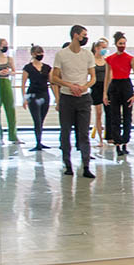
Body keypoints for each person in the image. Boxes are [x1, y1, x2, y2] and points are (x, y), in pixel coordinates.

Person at [51, 25, 96, 178]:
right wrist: (70, 85)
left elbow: (93, 77)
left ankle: (86, 166)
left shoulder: (88, 54)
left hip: (83, 98)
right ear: (76, 35)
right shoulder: (61, 54)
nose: (86, 37)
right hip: (67, 98)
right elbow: (54, 77)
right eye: (84, 35)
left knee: (83, 133)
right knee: (65, 132)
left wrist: (84, 87)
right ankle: (67, 164)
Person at [103, 32, 134, 156]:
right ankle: (117, 143)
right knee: (115, 116)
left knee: (127, 116)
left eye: (124, 43)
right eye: (120, 43)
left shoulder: (131, 59)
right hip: (114, 86)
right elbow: (107, 77)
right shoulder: (109, 59)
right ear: (116, 44)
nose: (122, 46)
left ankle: (125, 142)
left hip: (126, 86)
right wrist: (105, 94)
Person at [21, 44, 52, 151]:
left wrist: (56, 97)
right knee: (37, 119)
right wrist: (24, 98)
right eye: (38, 53)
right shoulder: (28, 68)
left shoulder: (47, 68)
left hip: (45, 94)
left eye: (41, 53)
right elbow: (23, 83)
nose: (40, 55)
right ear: (33, 54)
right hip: (33, 95)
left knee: (42, 119)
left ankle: (40, 140)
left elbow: (51, 83)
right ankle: (38, 142)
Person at [0, 37, 20, 144]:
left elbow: (14, 71)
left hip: (6, 82)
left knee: (10, 109)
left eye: (6, 45)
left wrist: (8, 72)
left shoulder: (9, 59)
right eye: (3, 45)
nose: (5, 47)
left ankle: (13, 135)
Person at [90, 38, 108, 144]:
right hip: (96, 87)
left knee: (108, 112)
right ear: (97, 48)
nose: (104, 50)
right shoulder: (91, 60)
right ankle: (100, 139)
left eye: (105, 48)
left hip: (105, 87)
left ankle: (108, 135)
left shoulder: (106, 61)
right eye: (103, 48)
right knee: (98, 113)